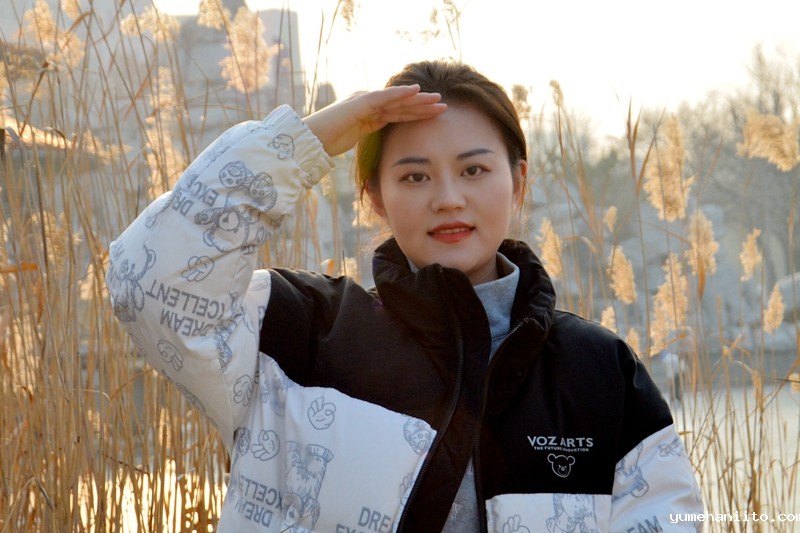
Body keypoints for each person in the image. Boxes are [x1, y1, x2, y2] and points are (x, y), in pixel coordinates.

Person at [107, 60, 703, 532]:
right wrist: (307, 139)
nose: (448, 198)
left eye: (474, 170)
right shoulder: (297, 334)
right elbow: (148, 281)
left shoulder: (598, 371)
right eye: (415, 176)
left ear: (518, 182)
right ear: (375, 196)